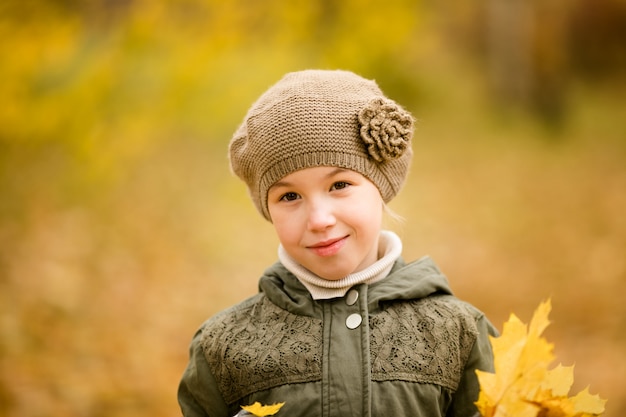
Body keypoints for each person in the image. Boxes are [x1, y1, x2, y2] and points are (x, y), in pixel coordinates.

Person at [178, 69, 497, 417]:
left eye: (339, 185)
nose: (319, 219)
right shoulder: (223, 347)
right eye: (289, 196)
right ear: (267, 209)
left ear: (381, 186)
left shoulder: (459, 333)